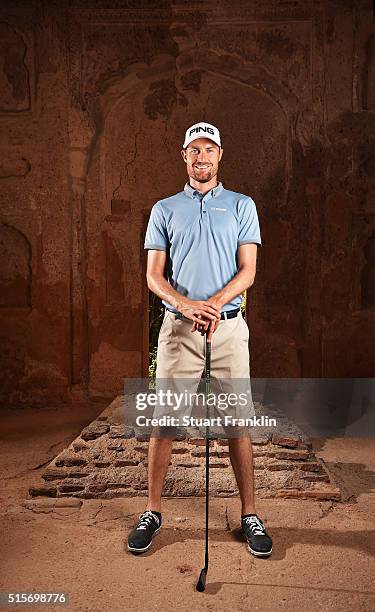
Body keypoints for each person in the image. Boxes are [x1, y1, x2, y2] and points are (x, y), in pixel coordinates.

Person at [127, 121, 273, 558]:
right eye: (195, 150)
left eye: (209, 149)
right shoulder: (164, 209)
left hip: (228, 327)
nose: (202, 157)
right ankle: (152, 511)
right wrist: (189, 307)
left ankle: (249, 514)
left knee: (237, 422)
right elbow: (154, 276)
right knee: (165, 422)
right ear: (184, 156)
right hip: (179, 328)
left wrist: (212, 303)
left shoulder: (242, 205)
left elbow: (247, 270)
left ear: (220, 155)